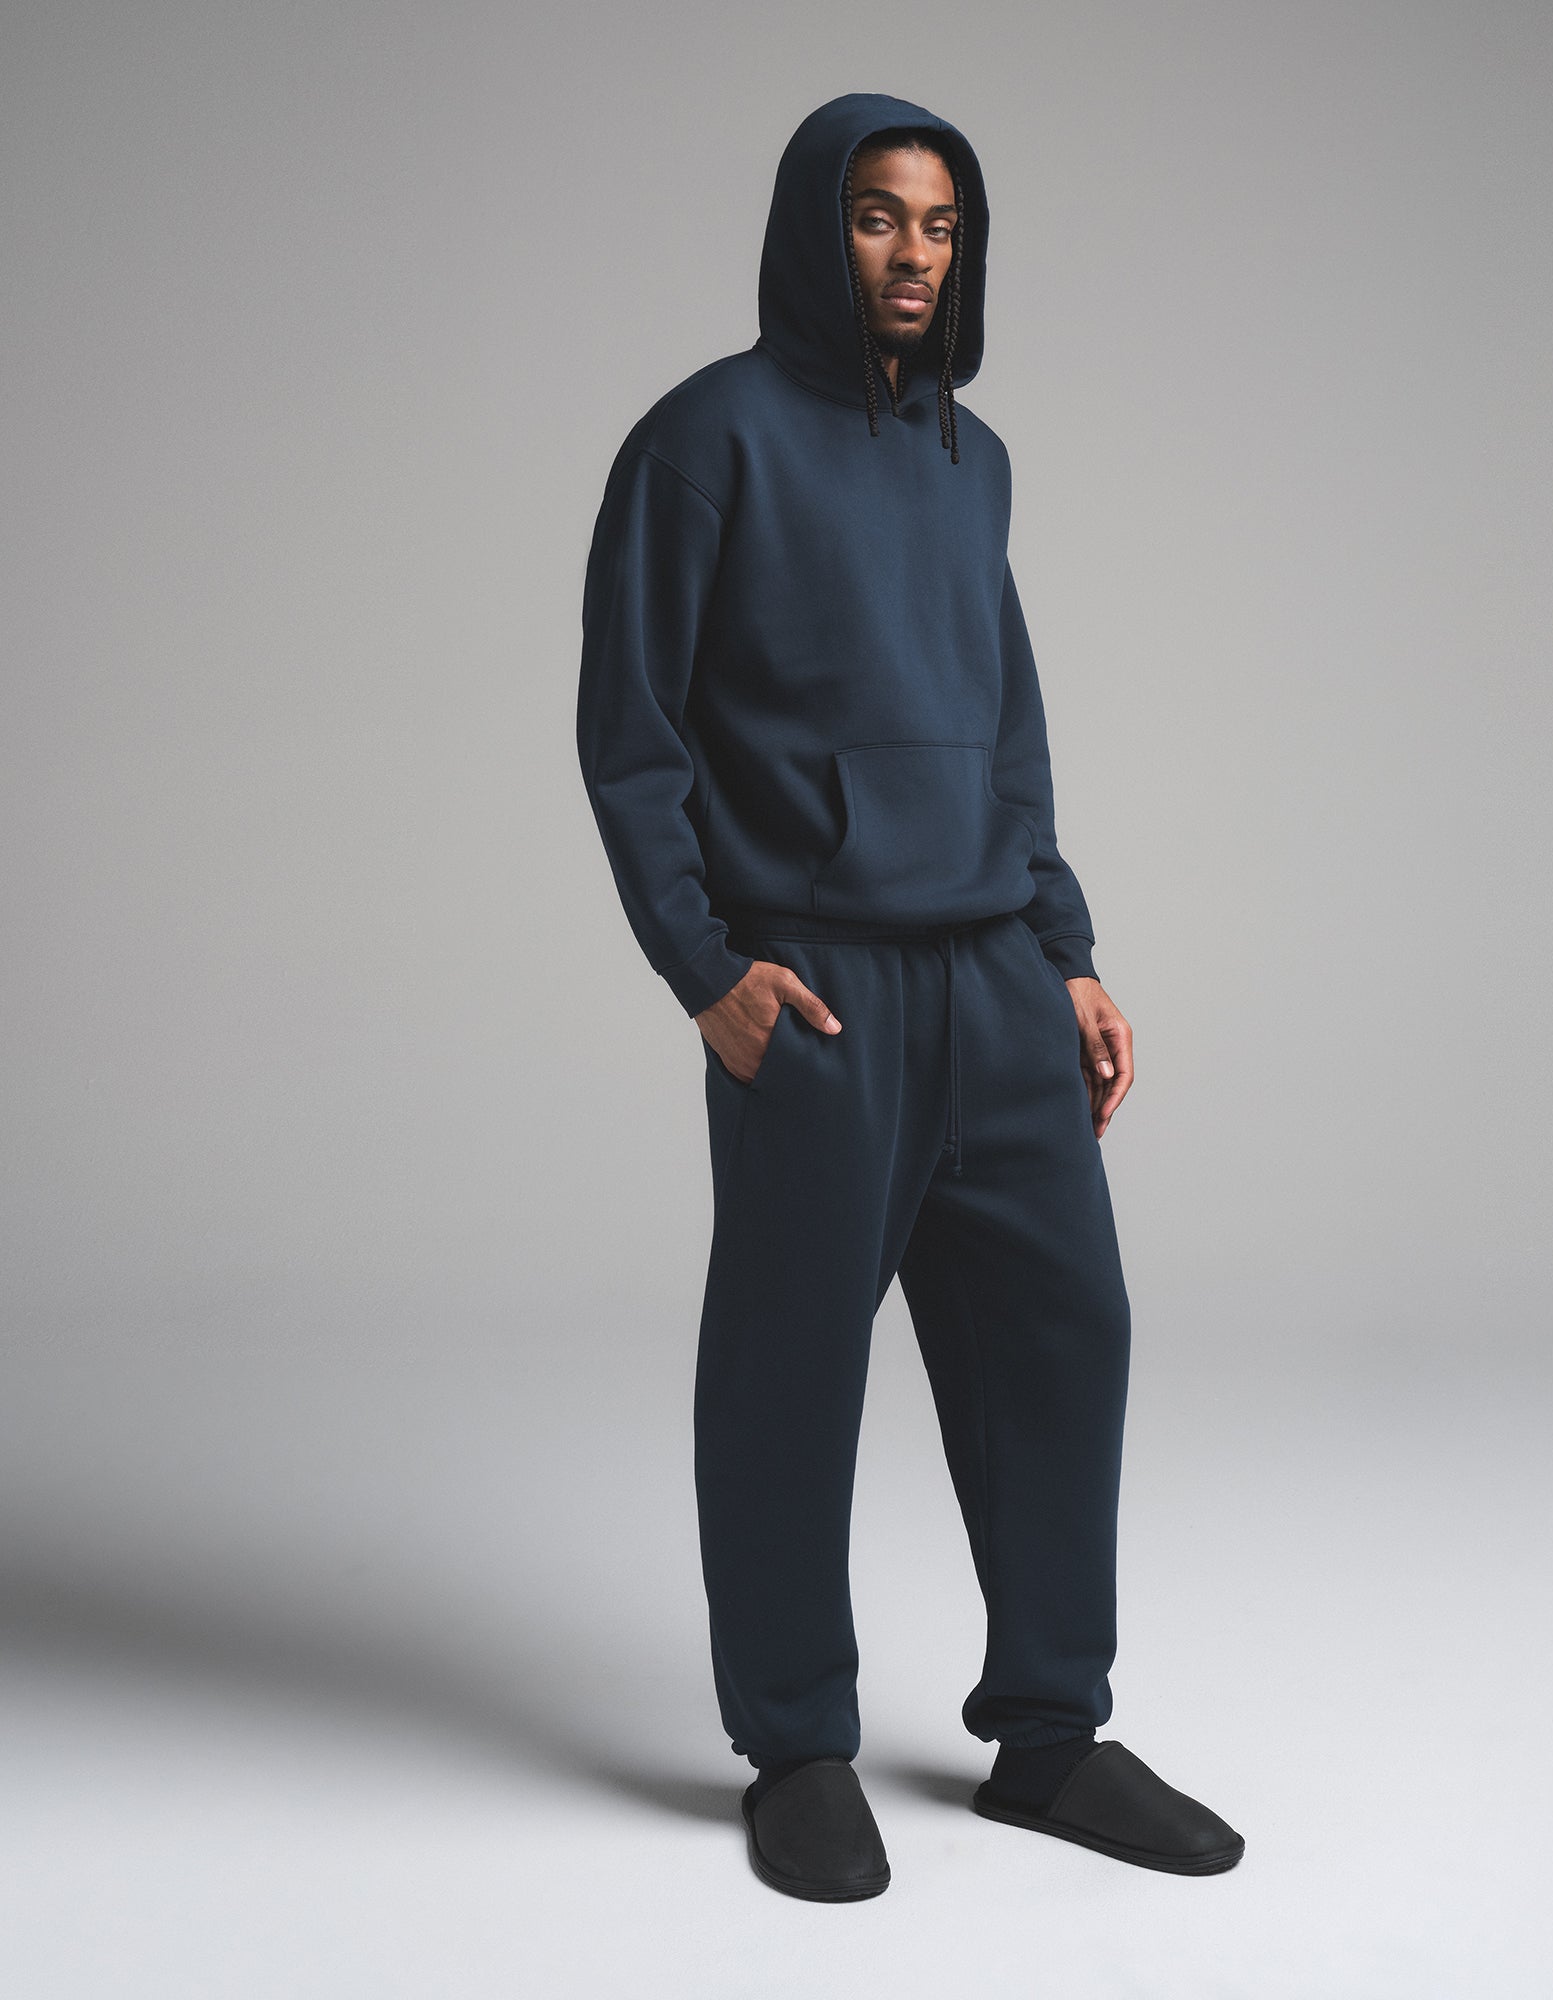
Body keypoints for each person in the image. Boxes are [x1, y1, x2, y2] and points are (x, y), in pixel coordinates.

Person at [576, 91, 1244, 1901]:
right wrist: (705, 970)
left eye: (943, 226)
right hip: (819, 992)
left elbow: (1008, 728)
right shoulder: (705, 440)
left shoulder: (975, 458)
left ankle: (1051, 1737)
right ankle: (798, 1747)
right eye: (879, 216)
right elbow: (631, 734)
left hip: (993, 974)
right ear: (819, 226)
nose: (913, 255)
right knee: (790, 1371)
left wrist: (1067, 951)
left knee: (1065, 1338)